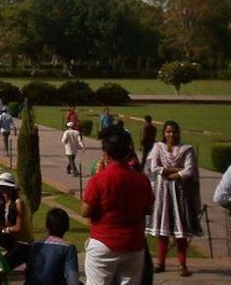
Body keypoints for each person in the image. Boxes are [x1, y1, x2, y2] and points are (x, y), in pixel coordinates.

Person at [82, 127, 154, 284]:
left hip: (104, 240)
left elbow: (85, 211)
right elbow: (148, 209)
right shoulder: (142, 180)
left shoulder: (99, 180)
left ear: (106, 155)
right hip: (134, 243)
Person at [145, 120, 202, 277]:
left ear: (178, 133)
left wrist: (176, 174)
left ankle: (182, 264)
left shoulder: (186, 149)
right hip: (162, 193)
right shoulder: (158, 147)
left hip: (181, 194)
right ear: (164, 133)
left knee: (181, 230)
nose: (171, 134)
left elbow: (190, 170)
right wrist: (176, 170)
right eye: (168, 132)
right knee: (163, 229)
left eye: (174, 131)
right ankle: (160, 263)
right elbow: (153, 167)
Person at [0, 172, 34, 270]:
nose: (3, 191)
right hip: (11, 240)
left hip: (23, 244)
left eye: (6, 188)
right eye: (1, 188)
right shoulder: (2, 204)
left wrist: (2, 229)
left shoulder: (18, 203)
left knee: (2, 267)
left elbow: (19, 227)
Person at [26, 207, 79, 285]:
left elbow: (29, 272)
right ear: (67, 226)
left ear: (47, 226)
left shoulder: (36, 245)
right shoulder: (68, 248)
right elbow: (72, 279)